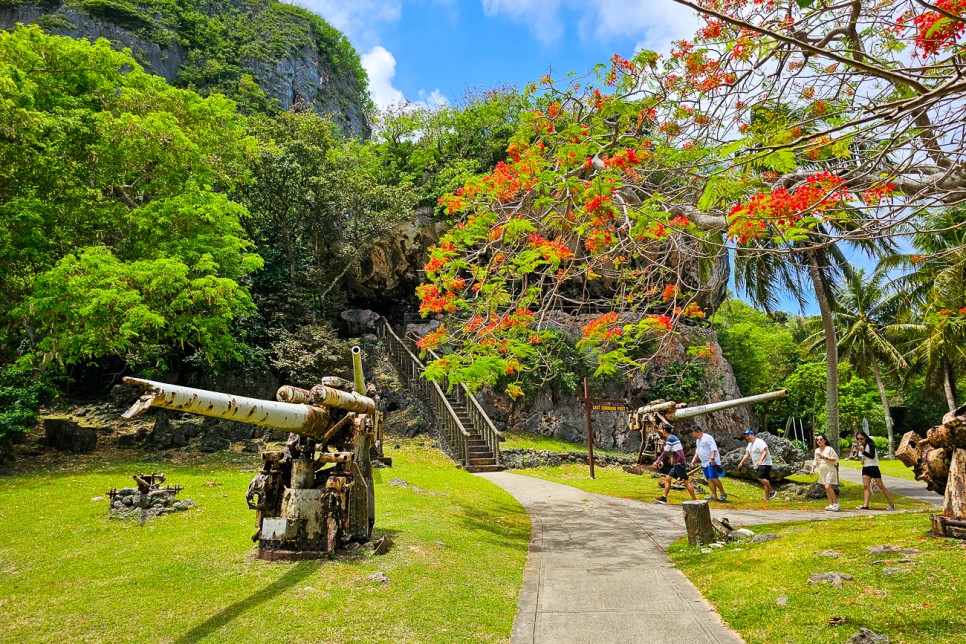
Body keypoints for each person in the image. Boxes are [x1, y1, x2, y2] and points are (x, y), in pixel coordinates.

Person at [650, 423, 697, 505]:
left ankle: (695, 501)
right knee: (668, 478)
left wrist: (657, 461)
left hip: (679, 463)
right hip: (678, 463)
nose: (661, 431)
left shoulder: (670, 439)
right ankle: (663, 498)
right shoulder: (673, 437)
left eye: (662, 430)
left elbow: (665, 452)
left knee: (686, 481)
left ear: (664, 430)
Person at [855, 431, 895, 510]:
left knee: (881, 486)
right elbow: (864, 457)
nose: (860, 440)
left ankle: (891, 504)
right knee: (866, 486)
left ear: (865, 437)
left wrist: (862, 451)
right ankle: (865, 505)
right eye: (858, 439)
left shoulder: (870, 445)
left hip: (873, 467)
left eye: (861, 438)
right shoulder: (863, 445)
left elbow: (872, 456)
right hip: (866, 467)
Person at [736, 429, 776, 500]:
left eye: (748, 436)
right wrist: (741, 462)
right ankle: (766, 498)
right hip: (757, 464)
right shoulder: (750, 444)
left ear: (752, 435)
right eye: (746, 436)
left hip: (765, 463)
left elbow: (764, 451)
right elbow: (747, 454)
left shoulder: (759, 442)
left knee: (760, 477)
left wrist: (760, 460)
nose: (747, 438)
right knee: (765, 479)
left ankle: (772, 491)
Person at [690, 427, 727, 502]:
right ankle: (714, 495)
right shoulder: (698, 440)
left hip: (711, 461)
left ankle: (723, 493)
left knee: (713, 477)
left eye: (694, 434)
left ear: (698, 431)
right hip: (704, 462)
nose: (694, 436)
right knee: (709, 479)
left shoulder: (708, 437)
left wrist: (712, 459)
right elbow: (698, 451)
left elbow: (713, 449)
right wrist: (694, 459)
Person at [808, 433, 840, 511]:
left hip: (830, 469)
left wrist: (825, 457)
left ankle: (836, 503)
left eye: (821, 439)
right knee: (826, 488)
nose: (819, 441)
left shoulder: (829, 449)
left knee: (828, 486)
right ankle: (831, 504)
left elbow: (835, 459)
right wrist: (812, 469)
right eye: (817, 440)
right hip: (822, 470)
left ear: (824, 441)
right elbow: (815, 461)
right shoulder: (816, 451)